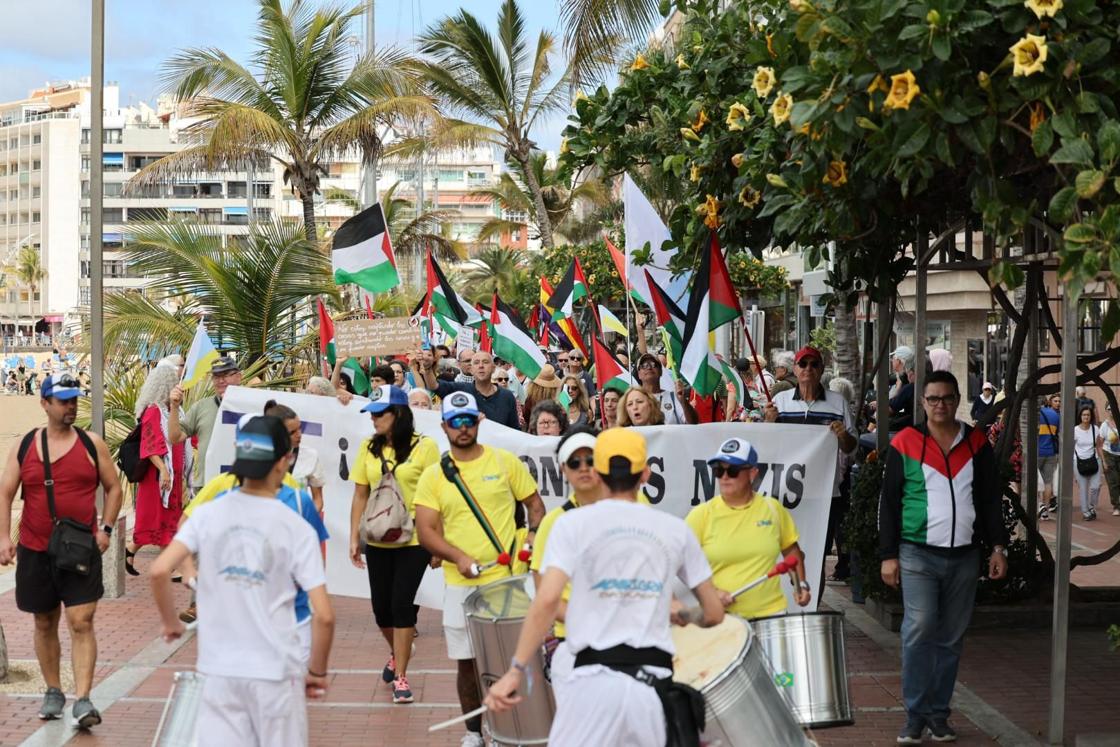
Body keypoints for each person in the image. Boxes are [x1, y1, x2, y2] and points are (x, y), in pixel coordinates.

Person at [484, 428, 725, 746]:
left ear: (597, 472)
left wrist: (515, 670)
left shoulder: (571, 524)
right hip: (654, 687)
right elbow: (714, 613)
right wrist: (687, 615)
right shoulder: (675, 529)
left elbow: (545, 600)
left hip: (591, 683)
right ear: (647, 473)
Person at [149, 415, 335, 746]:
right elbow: (324, 615)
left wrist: (170, 623)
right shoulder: (295, 527)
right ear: (283, 461)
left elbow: (160, 570)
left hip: (219, 672)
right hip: (276, 672)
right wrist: (317, 672)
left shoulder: (208, 514)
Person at [878, 370, 1009, 744]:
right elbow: (888, 503)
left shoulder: (976, 442)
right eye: (933, 398)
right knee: (918, 631)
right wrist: (888, 555)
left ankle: (939, 714)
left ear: (957, 400)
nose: (940, 405)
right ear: (922, 402)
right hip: (917, 553)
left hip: (965, 556)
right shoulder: (905, 442)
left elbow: (988, 500)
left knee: (951, 638)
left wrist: (998, 547)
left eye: (947, 398)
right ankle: (915, 715)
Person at [413, 392, 546, 747]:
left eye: (468, 420)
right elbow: (425, 530)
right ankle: (474, 733)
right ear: (444, 427)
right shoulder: (433, 476)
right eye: (455, 422)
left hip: (508, 582)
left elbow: (535, 506)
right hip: (461, 586)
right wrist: (457, 557)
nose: (463, 427)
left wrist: (532, 538)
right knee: (467, 664)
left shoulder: (504, 462)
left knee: (518, 660)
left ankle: (520, 729)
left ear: (478, 422)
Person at [0, 373, 123, 728]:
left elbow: (113, 488)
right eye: (63, 400)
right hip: (35, 548)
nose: (71, 406)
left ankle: (83, 700)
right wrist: (4, 539)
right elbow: (6, 492)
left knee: (80, 621)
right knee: (44, 620)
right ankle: (53, 689)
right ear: (44, 403)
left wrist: (107, 528)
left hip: (81, 548)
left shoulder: (91, 444)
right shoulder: (25, 445)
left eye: (74, 399)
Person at [348, 384, 439, 704]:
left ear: (398, 414)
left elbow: (437, 495)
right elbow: (360, 493)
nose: (373, 419)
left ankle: (401, 675)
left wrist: (437, 542)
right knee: (380, 610)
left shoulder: (425, 448)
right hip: (378, 538)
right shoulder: (367, 448)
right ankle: (398, 649)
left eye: (379, 413)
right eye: (371, 414)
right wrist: (353, 536)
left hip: (415, 539)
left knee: (402, 606)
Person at [687, 438, 811, 618]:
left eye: (733, 470)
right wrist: (710, 593)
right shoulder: (701, 514)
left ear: (753, 473)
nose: (724, 477)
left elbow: (791, 552)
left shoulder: (772, 509)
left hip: (771, 616)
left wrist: (802, 585)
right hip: (723, 619)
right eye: (719, 470)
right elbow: (682, 564)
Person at [528, 429, 603, 683]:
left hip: (625, 642)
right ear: (563, 469)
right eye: (574, 462)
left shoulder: (630, 508)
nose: (584, 467)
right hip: (572, 642)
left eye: (591, 460)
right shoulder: (553, 523)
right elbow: (544, 594)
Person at [766, 346, 857, 511]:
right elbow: (766, 446)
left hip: (824, 491)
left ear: (821, 369)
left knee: (824, 537)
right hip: (786, 489)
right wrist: (768, 423)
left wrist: (843, 435)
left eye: (814, 364)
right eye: (803, 363)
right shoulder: (780, 401)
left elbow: (852, 449)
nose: (808, 368)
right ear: (794, 369)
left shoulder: (838, 403)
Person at [125, 363, 186, 576]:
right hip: (157, 475)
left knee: (161, 517)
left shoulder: (173, 411)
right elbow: (149, 446)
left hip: (172, 474)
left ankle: (130, 550)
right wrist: (164, 470)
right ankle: (171, 566)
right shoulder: (153, 411)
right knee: (161, 517)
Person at [169, 355, 241, 496]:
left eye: (226, 375)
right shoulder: (201, 407)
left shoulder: (253, 404)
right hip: (207, 486)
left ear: (239, 376)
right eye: (216, 376)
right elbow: (174, 438)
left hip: (243, 486)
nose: (220, 381)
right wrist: (174, 407)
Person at [414, 349, 522, 431]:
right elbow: (434, 386)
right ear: (471, 369)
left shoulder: (507, 396)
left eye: (485, 362)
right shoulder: (460, 390)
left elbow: (514, 431)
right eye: (476, 363)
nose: (480, 366)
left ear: (493, 368)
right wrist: (428, 368)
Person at [266, 401, 325, 513]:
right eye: (292, 432)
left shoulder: (310, 456)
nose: (299, 434)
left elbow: (318, 499)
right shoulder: (261, 457)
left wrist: (305, 518)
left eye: (300, 428)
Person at [635, 353, 692, 424]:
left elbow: (692, 422)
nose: (649, 368)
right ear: (639, 374)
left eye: (654, 364)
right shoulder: (633, 400)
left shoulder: (674, 397)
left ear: (661, 371)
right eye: (644, 365)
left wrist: (683, 401)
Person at [1073, 405, 1103, 521]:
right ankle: (1086, 512)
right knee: (1083, 488)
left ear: (1091, 416)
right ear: (1080, 416)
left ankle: (1091, 506)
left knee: (1096, 486)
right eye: (1084, 415)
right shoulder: (1075, 430)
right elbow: (1070, 447)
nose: (1086, 417)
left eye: (1088, 415)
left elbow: (1099, 446)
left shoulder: (1095, 429)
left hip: (1094, 459)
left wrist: (1103, 461)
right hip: (1079, 461)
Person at [1038, 393, 1061, 520]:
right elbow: (1059, 433)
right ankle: (1045, 511)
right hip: (1050, 452)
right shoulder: (1055, 415)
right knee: (1048, 482)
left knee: (1033, 480)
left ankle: (1039, 504)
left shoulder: (1035, 414)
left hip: (1036, 452)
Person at [1100, 403, 1120, 516]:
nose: (1111, 411)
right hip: (1109, 454)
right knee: (1113, 481)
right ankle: (1116, 506)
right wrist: (1103, 461)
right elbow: (1099, 444)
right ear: (1106, 411)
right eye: (1109, 409)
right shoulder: (1104, 425)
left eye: (1113, 409)